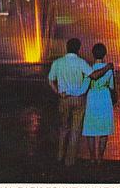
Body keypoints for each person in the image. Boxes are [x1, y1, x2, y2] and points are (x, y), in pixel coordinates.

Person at [48, 38, 113, 166]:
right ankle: (70, 161)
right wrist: (108, 67)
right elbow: (94, 76)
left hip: (63, 98)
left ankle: (60, 156)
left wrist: (58, 92)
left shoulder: (58, 62)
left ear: (66, 47)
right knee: (75, 130)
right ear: (78, 49)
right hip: (80, 100)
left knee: (63, 128)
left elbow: (50, 80)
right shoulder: (81, 63)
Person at [82, 43, 115, 165]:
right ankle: (100, 158)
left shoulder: (89, 69)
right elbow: (111, 86)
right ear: (105, 54)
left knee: (90, 130)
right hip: (105, 98)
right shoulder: (109, 70)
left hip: (92, 98)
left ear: (93, 54)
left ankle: (91, 157)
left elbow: (84, 88)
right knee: (103, 130)